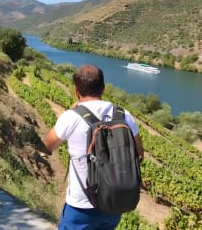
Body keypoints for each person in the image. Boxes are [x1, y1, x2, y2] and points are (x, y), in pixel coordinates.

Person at [43, 65, 144, 230]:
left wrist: (68, 112)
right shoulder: (124, 114)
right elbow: (139, 154)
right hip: (113, 203)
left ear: (76, 91)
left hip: (81, 206)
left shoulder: (71, 117)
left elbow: (47, 146)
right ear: (103, 88)